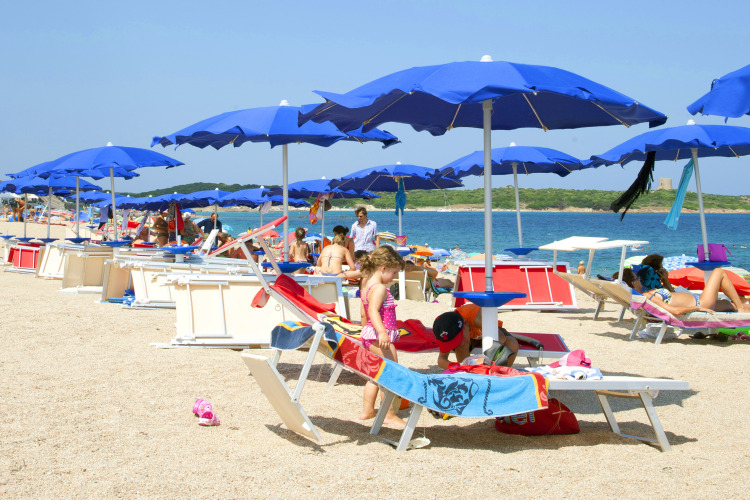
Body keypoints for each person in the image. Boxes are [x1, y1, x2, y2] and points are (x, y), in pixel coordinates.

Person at [358, 245, 406, 427]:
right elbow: (372, 311)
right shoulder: (379, 289)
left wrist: (366, 332)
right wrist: (382, 332)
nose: (393, 278)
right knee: (391, 373)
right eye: (394, 273)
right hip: (379, 337)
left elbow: (363, 314)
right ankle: (388, 414)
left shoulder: (366, 285)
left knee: (375, 374)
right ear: (383, 268)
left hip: (370, 335)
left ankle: (368, 410)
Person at [626, 267, 750, 315]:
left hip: (698, 301)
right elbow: (675, 311)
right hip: (700, 304)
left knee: (731, 305)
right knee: (719, 272)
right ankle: (741, 308)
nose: (639, 279)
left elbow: (673, 299)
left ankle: (741, 307)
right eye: (637, 278)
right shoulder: (648, 297)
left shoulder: (649, 293)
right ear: (632, 283)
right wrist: (697, 308)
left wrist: (666, 281)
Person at [432, 303, 519, 370]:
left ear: (466, 323)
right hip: (473, 336)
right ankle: (468, 372)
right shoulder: (445, 331)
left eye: (458, 338)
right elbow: (441, 360)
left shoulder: (475, 317)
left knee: (512, 343)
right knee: (462, 344)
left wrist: (484, 361)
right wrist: (459, 367)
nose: (457, 341)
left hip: (488, 331)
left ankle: (500, 373)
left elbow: (501, 338)